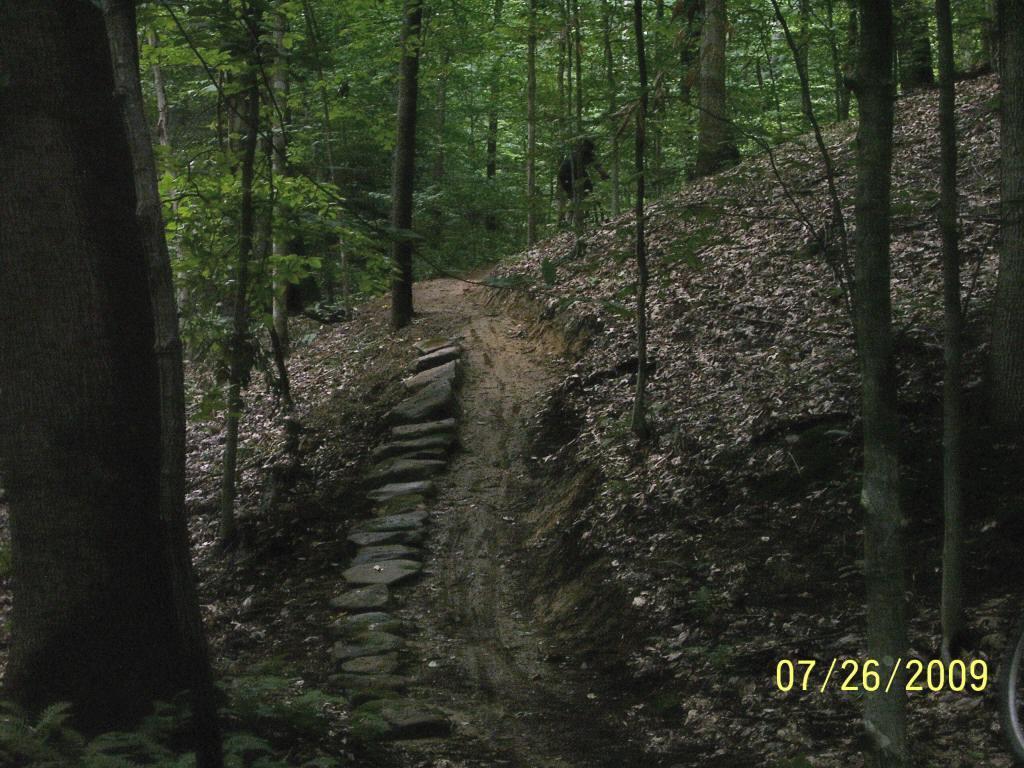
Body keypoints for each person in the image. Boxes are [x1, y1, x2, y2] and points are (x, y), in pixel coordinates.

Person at [557, 137, 609, 226]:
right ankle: (574, 221)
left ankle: (573, 220)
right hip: (568, 175)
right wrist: (604, 175)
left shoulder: (577, 153)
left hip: (566, 175)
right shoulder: (583, 154)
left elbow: (598, 167)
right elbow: (598, 167)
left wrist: (604, 175)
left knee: (577, 195)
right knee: (581, 194)